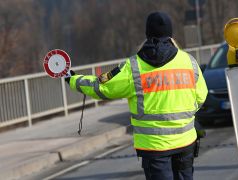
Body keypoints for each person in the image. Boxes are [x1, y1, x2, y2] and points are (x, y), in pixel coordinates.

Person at [66, 11, 208, 180]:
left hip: (154, 148)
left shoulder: (133, 66)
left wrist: (72, 79)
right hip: (186, 143)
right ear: (170, 33)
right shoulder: (188, 61)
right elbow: (201, 96)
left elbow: (101, 87)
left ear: (147, 33)